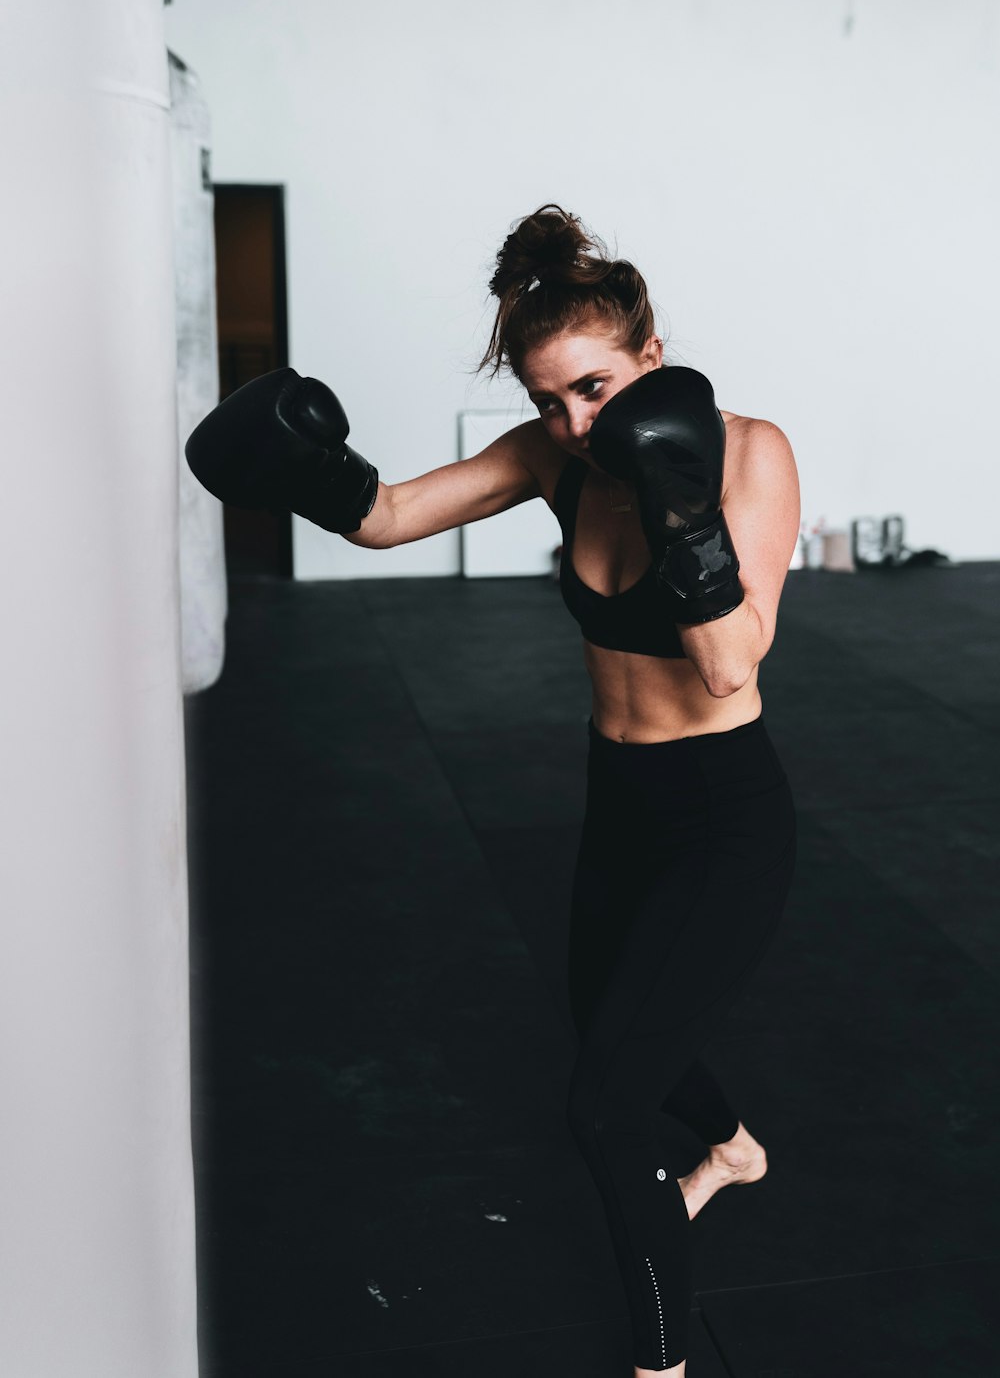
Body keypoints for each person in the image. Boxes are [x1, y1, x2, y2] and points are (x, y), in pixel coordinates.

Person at [184, 204, 801, 1377]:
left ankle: (662, 1362)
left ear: (654, 363)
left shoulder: (748, 452)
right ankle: (731, 1151)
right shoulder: (549, 459)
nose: (575, 423)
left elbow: (729, 661)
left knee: (607, 1107)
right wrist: (310, 466)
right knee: (610, 1027)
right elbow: (389, 519)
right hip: (619, 798)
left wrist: (680, 500)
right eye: (547, 400)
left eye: (599, 389)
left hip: (724, 812)